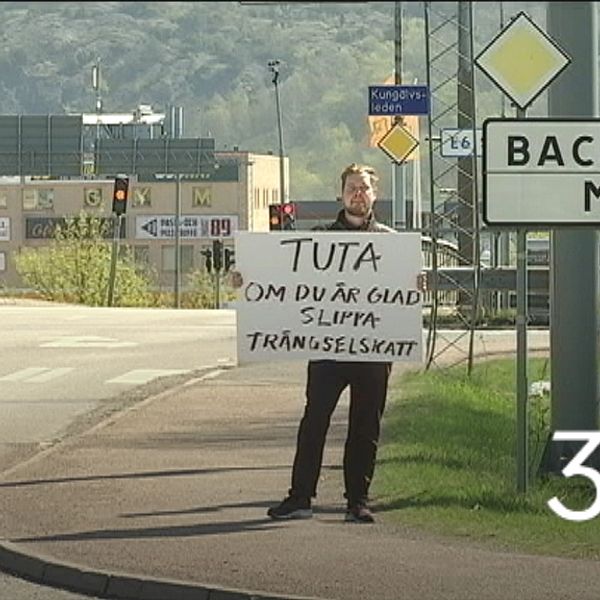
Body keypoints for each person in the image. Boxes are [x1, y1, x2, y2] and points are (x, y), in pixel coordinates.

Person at [267, 163, 399, 524]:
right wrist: (246, 276)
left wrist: (415, 285)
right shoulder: (318, 240)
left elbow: (403, 295)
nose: (358, 193)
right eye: (352, 187)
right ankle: (299, 498)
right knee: (314, 421)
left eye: (365, 188)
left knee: (365, 425)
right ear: (340, 194)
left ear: (375, 195)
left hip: (373, 349)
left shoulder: (392, 244)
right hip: (327, 347)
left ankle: (358, 500)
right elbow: (281, 281)